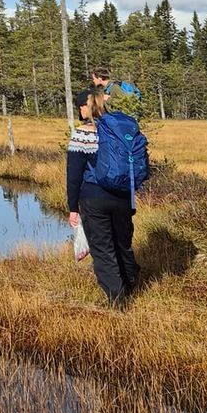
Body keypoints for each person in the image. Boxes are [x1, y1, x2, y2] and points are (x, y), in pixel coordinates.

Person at [67, 88, 141, 306]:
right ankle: (131, 285)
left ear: (85, 107)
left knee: (102, 249)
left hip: (94, 198)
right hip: (123, 196)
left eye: (79, 106)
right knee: (122, 244)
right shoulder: (119, 130)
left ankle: (118, 303)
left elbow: (73, 175)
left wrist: (73, 207)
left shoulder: (82, 134)